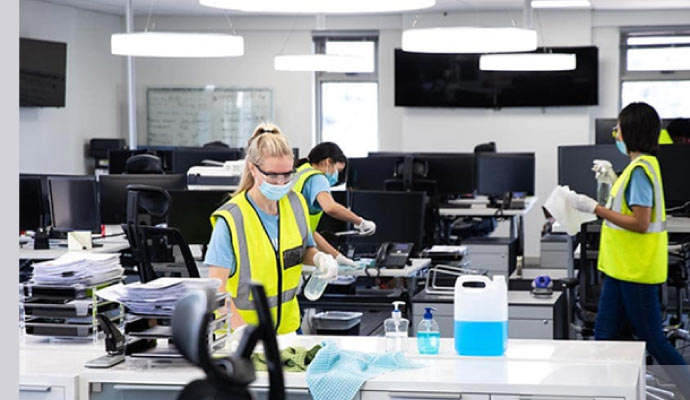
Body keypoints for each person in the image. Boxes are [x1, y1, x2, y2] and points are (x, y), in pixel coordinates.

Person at [568, 102, 690, 397]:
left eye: (618, 128)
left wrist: (594, 207)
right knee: (605, 335)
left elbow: (639, 221)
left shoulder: (639, 171)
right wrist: (610, 184)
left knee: (653, 339)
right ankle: (609, 392)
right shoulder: (639, 167)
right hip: (620, 268)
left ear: (631, 131)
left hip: (635, 270)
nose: (616, 134)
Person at [204, 123, 338, 335]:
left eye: (287, 175)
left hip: (288, 330)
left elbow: (304, 250)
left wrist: (321, 259)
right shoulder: (232, 219)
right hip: (241, 337)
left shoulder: (296, 204)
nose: (281, 182)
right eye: (273, 175)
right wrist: (243, 333)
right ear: (253, 169)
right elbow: (216, 291)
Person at [292, 142, 377, 266]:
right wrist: (360, 222)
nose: (336, 178)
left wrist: (338, 257)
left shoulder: (299, 173)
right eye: (338, 170)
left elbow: (309, 231)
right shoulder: (317, 178)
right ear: (328, 162)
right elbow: (330, 207)